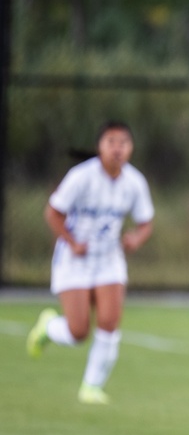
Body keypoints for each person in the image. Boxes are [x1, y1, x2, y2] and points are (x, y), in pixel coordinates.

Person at [26, 121, 155, 405]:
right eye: (111, 142)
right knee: (78, 331)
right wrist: (72, 242)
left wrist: (136, 238)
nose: (117, 148)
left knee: (110, 322)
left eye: (123, 143)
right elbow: (53, 213)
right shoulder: (81, 177)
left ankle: (91, 387)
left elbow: (146, 223)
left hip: (109, 260)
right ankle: (48, 328)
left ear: (130, 148)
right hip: (74, 259)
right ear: (100, 146)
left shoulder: (134, 182)